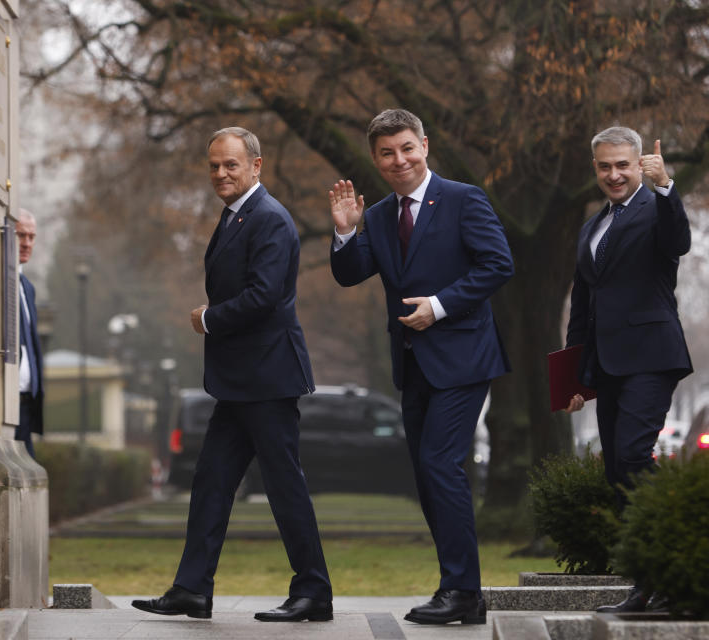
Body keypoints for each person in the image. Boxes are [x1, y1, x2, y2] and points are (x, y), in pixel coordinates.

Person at [132, 127, 333, 622]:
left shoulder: (270, 219)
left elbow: (264, 296)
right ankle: (192, 589)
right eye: (214, 166)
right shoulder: (238, 215)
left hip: (268, 379)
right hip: (240, 382)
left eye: (232, 165)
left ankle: (314, 592)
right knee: (211, 482)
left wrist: (209, 319)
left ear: (256, 166)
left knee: (284, 485)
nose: (221, 173)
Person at [328, 108, 513, 625]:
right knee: (429, 476)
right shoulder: (382, 215)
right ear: (375, 159)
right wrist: (345, 233)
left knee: (440, 464)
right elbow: (351, 274)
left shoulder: (463, 199)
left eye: (407, 147)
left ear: (425, 146)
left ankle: (463, 591)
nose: (399, 159)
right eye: (387, 153)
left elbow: (499, 263)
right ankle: (458, 588)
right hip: (412, 364)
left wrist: (441, 304)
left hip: (463, 358)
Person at [564, 126, 692, 613]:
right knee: (618, 470)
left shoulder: (656, 208)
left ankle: (682, 555)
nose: (614, 174)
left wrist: (666, 189)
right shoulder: (592, 226)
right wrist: (574, 375)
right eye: (604, 166)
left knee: (635, 457)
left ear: (640, 163)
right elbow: (583, 304)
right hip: (607, 365)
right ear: (595, 168)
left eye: (623, 164)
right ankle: (646, 585)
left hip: (651, 356)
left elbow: (677, 241)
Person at [16, 209, 44, 458]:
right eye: (21, 235)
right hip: (8, 401)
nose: (27, 243)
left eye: (31, 237)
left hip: (26, 403)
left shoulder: (28, 288)